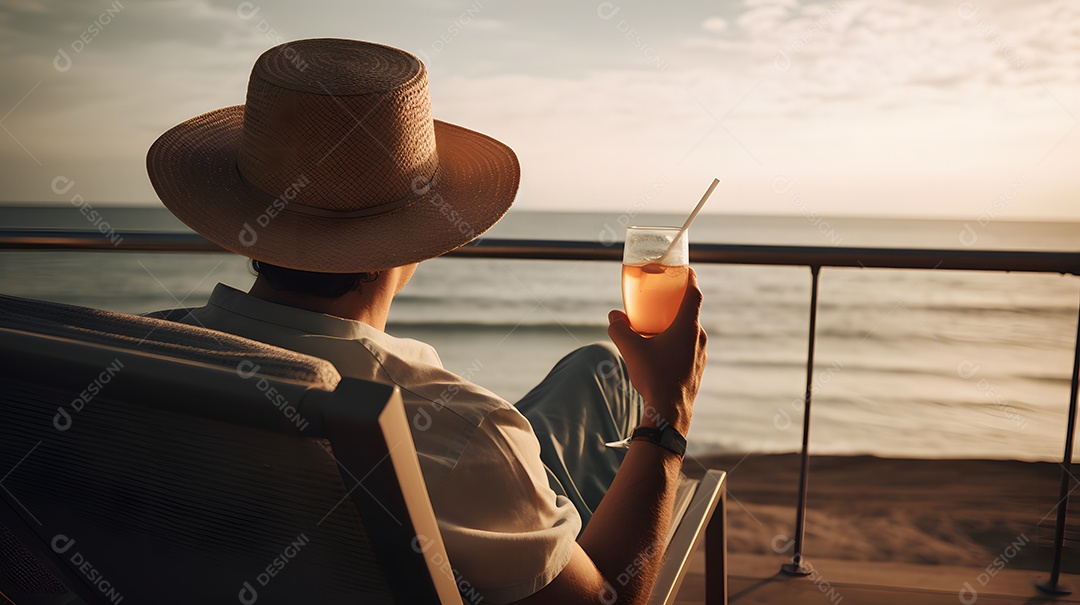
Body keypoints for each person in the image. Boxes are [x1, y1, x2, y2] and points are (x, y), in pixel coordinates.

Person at [147, 38, 707, 605]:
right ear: (405, 241)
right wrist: (667, 414)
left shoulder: (136, 358)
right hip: (482, 494)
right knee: (600, 382)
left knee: (591, 371)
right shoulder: (464, 434)